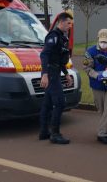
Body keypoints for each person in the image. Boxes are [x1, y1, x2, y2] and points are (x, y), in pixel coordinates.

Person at [39, 12, 74, 144]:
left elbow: (59, 59)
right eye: (68, 23)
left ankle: (43, 132)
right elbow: (44, 55)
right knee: (59, 103)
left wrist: (66, 73)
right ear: (61, 22)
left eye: (71, 24)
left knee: (47, 104)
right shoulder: (53, 36)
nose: (70, 26)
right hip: (51, 73)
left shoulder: (61, 37)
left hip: (56, 71)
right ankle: (55, 134)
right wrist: (45, 74)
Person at [83, 29, 107, 144]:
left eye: (105, 41)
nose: (103, 44)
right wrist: (96, 75)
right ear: (98, 40)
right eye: (101, 41)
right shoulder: (90, 52)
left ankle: (102, 133)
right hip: (97, 84)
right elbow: (87, 68)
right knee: (101, 109)